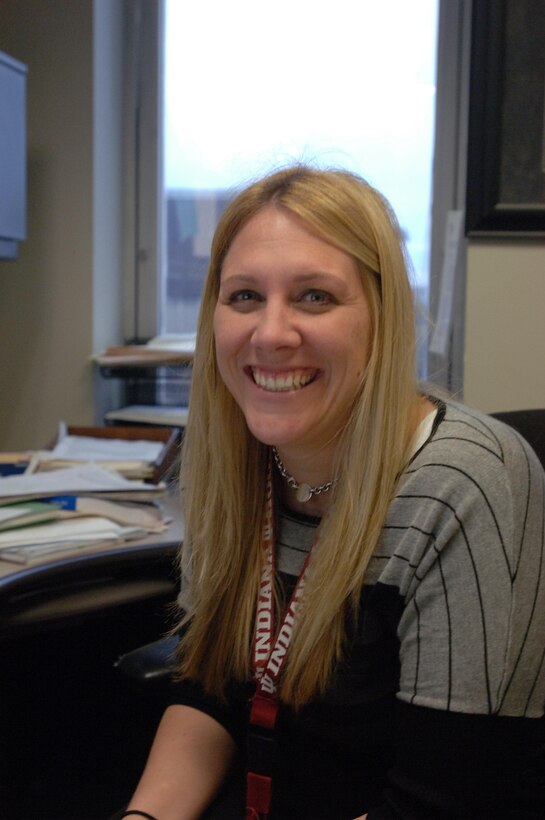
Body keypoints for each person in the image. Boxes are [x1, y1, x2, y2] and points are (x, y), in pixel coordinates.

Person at [121, 166, 545, 820]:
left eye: (314, 296)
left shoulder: (462, 483)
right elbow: (211, 691)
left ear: (382, 316)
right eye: (243, 297)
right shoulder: (240, 463)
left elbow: (445, 803)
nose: (270, 333)